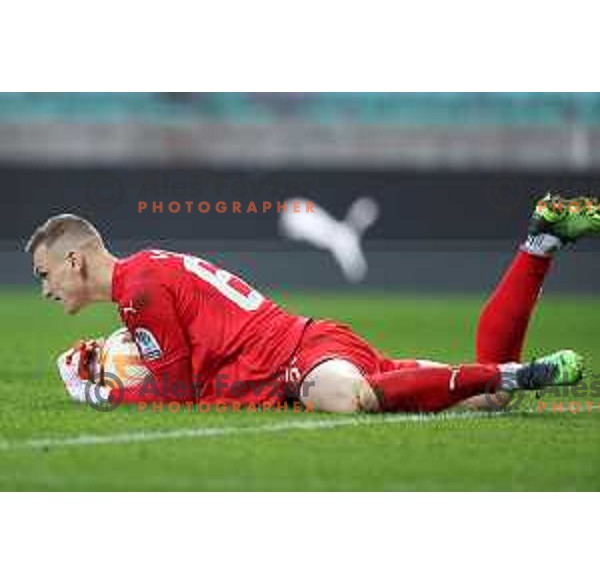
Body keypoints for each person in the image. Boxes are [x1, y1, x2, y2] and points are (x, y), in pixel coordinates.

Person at [26, 193, 598, 413]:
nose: (45, 288)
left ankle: (517, 372)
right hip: (302, 351)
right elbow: (187, 373)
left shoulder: (139, 291)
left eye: (44, 273)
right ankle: (539, 242)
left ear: (75, 260)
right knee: (489, 401)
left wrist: (105, 394)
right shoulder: (144, 273)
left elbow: (178, 393)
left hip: (300, 357)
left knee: (343, 398)